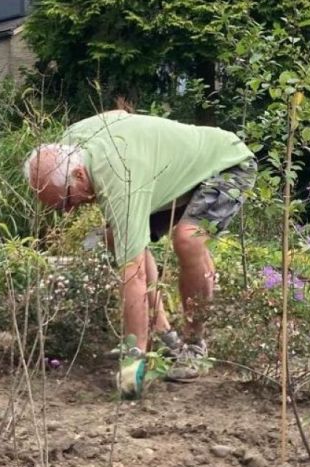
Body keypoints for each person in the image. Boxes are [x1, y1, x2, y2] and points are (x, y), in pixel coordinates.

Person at [24, 110, 257, 395]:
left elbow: (132, 276)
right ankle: (165, 336)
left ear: (79, 173)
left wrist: (132, 360)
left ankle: (195, 345)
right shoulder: (70, 143)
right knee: (115, 238)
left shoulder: (120, 179)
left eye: (68, 201)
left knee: (188, 240)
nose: (69, 211)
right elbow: (119, 114)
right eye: (60, 207)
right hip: (164, 175)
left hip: (225, 163)